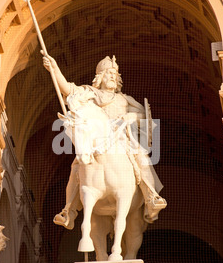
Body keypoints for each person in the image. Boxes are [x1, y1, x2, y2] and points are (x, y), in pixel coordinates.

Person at [42, 53, 166, 229]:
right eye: (109, 74)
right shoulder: (90, 94)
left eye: (115, 75)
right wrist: (54, 69)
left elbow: (144, 117)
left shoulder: (124, 99)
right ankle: (68, 210)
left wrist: (132, 116)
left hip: (122, 138)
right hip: (95, 141)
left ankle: (151, 197)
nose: (113, 77)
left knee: (142, 158)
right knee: (76, 166)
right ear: (99, 77)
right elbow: (68, 90)